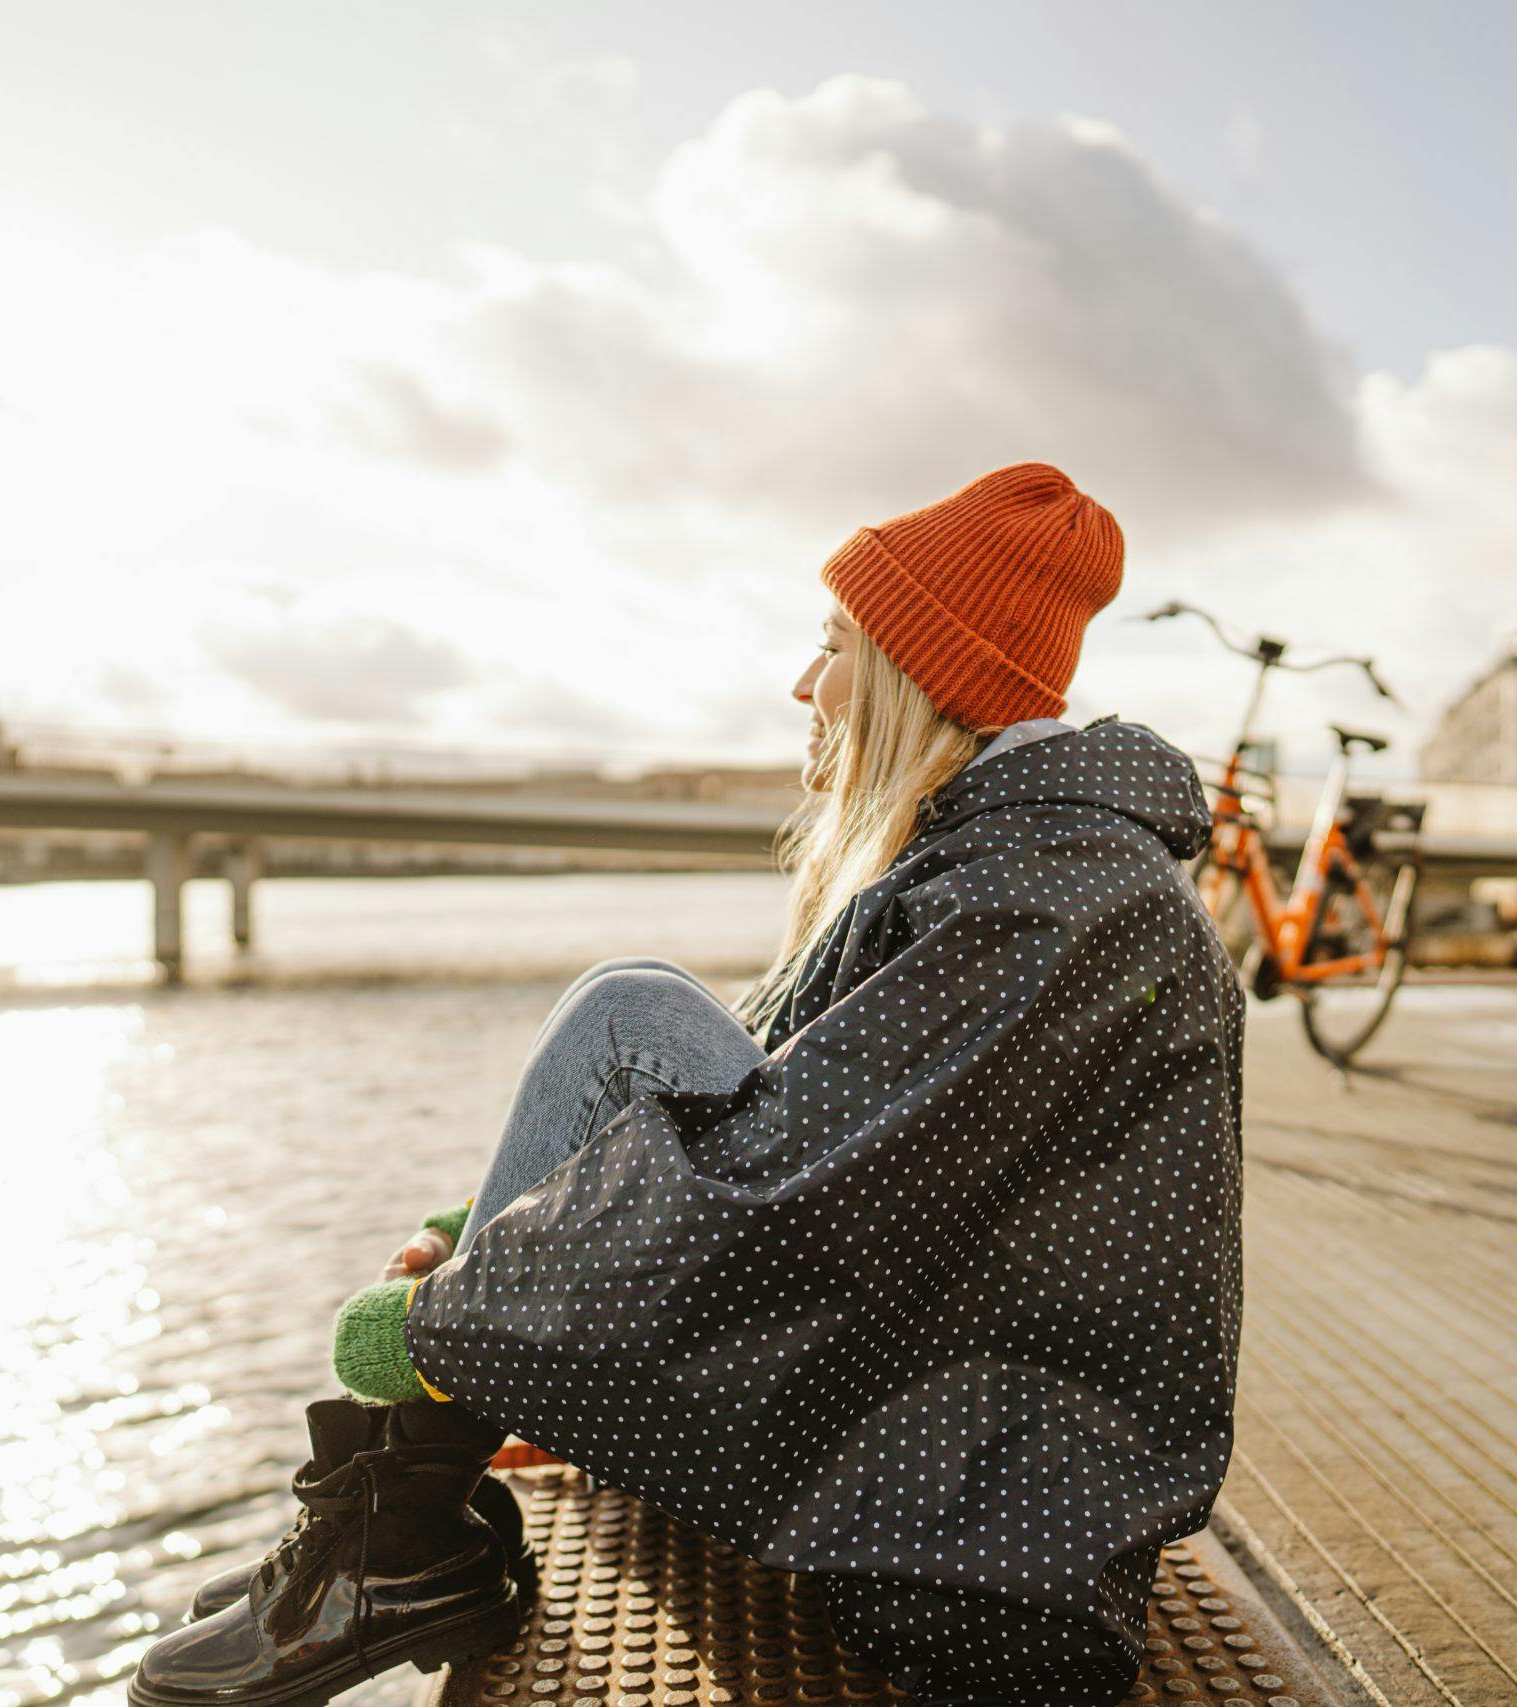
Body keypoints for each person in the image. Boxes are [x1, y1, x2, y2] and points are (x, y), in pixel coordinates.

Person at [128, 462, 1248, 1707]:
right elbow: (809, 1105)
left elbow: (789, 1183)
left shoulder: (1043, 895)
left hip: (983, 1540)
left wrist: (450, 1320)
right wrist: (482, 1245)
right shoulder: (1029, 863)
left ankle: (397, 1538)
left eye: (832, 646)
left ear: (915, 673)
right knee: (638, 1012)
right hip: (964, 1451)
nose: (802, 683)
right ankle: (399, 1527)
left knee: (631, 1015)